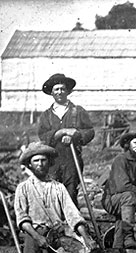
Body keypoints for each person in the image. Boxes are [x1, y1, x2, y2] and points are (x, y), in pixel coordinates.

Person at [14, 142, 96, 253]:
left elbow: (73, 215)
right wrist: (37, 237)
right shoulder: (24, 188)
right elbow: (22, 218)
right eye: (36, 161)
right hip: (33, 236)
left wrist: (86, 237)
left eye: (44, 160)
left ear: (49, 163)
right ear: (29, 165)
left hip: (55, 238)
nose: (40, 164)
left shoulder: (58, 188)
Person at [38, 73, 95, 207]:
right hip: (52, 160)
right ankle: (56, 224)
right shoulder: (46, 115)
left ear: (68, 91)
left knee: (70, 192)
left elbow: (90, 131)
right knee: (52, 191)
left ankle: (72, 224)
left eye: (62, 89)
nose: (60, 92)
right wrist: (59, 133)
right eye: (56, 89)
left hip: (72, 158)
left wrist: (76, 134)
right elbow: (42, 135)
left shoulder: (77, 111)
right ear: (51, 92)